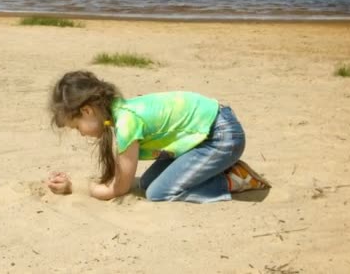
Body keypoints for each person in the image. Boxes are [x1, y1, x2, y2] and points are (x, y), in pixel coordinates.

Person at [46, 70, 270, 203]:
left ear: (87, 111)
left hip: (221, 136)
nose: (81, 133)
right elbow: (125, 178)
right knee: (145, 182)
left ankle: (232, 179)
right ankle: (218, 167)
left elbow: (119, 189)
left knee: (159, 192)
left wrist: (74, 188)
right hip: (206, 133)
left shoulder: (126, 123)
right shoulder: (119, 113)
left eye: (77, 127)